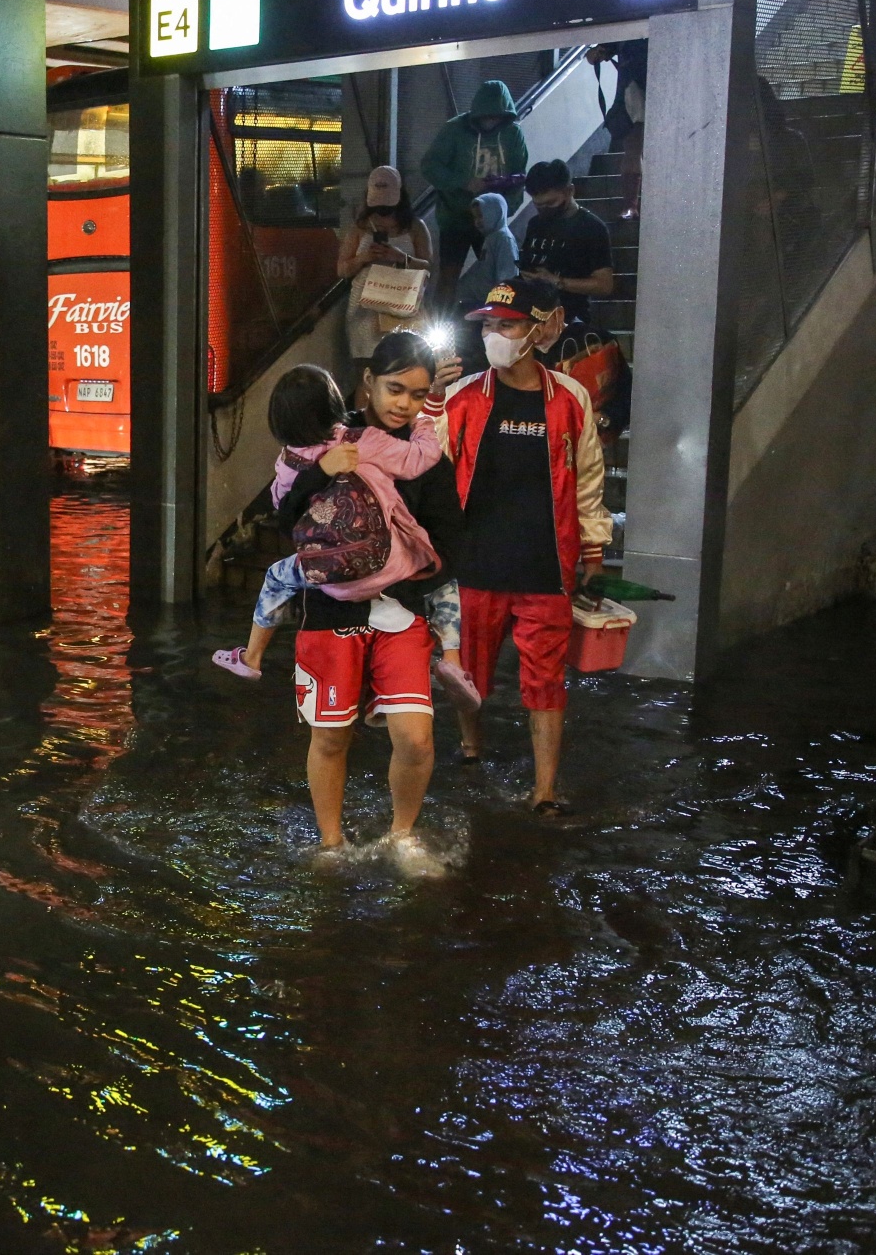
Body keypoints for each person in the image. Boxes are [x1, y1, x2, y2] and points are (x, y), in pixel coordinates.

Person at [237, 366, 445, 859]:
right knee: (330, 737)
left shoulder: (313, 452)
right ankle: (332, 842)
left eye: (417, 395)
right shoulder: (340, 447)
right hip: (331, 612)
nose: (404, 403)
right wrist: (427, 425)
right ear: (366, 384)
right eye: (396, 390)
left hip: (398, 606)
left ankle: (402, 835)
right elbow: (287, 520)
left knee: (415, 740)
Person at [424, 277, 612, 818]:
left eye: (506, 326)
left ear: (538, 330)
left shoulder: (571, 398)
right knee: (468, 676)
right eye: (488, 326)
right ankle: (471, 743)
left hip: (544, 567)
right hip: (474, 564)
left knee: (546, 681)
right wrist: (433, 400)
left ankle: (545, 789)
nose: (494, 336)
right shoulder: (461, 397)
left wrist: (594, 553)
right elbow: (428, 462)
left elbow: (589, 481)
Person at [421, 80, 528, 310]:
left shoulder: (513, 133)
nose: (490, 121)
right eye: (485, 117)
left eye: (496, 117)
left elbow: (519, 176)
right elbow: (429, 165)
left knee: (499, 275)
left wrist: (503, 210)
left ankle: (495, 324)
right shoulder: (454, 129)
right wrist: (464, 183)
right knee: (448, 276)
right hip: (455, 218)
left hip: (492, 222)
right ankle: (441, 328)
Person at [338, 165, 434, 385]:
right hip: (366, 310)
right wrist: (364, 258)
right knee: (367, 373)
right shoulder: (360, 228)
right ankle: (366, 418)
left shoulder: (415, 227)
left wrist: (400, 258)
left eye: (387, 204)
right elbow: (341, 270)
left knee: (405, 368)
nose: (382, 209)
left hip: (403, 305)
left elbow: (428, 266)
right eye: (378, 203)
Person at [519, 160, 615, 328]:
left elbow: (604, 285)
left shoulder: (592, 228)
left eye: (551, 203)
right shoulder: (535, 223)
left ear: (570, 191)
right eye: (538, 205)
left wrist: (557, 281)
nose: (544, 210)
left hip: (570, 320)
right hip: (533, 317)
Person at [587, 42, 648, 220]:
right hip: (634, 88)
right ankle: (631, 204)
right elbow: (593, 56)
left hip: (652, 85)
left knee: (634, 149)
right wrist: (600, 51)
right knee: (633, 148)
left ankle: (631, 205)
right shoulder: (629, 22)